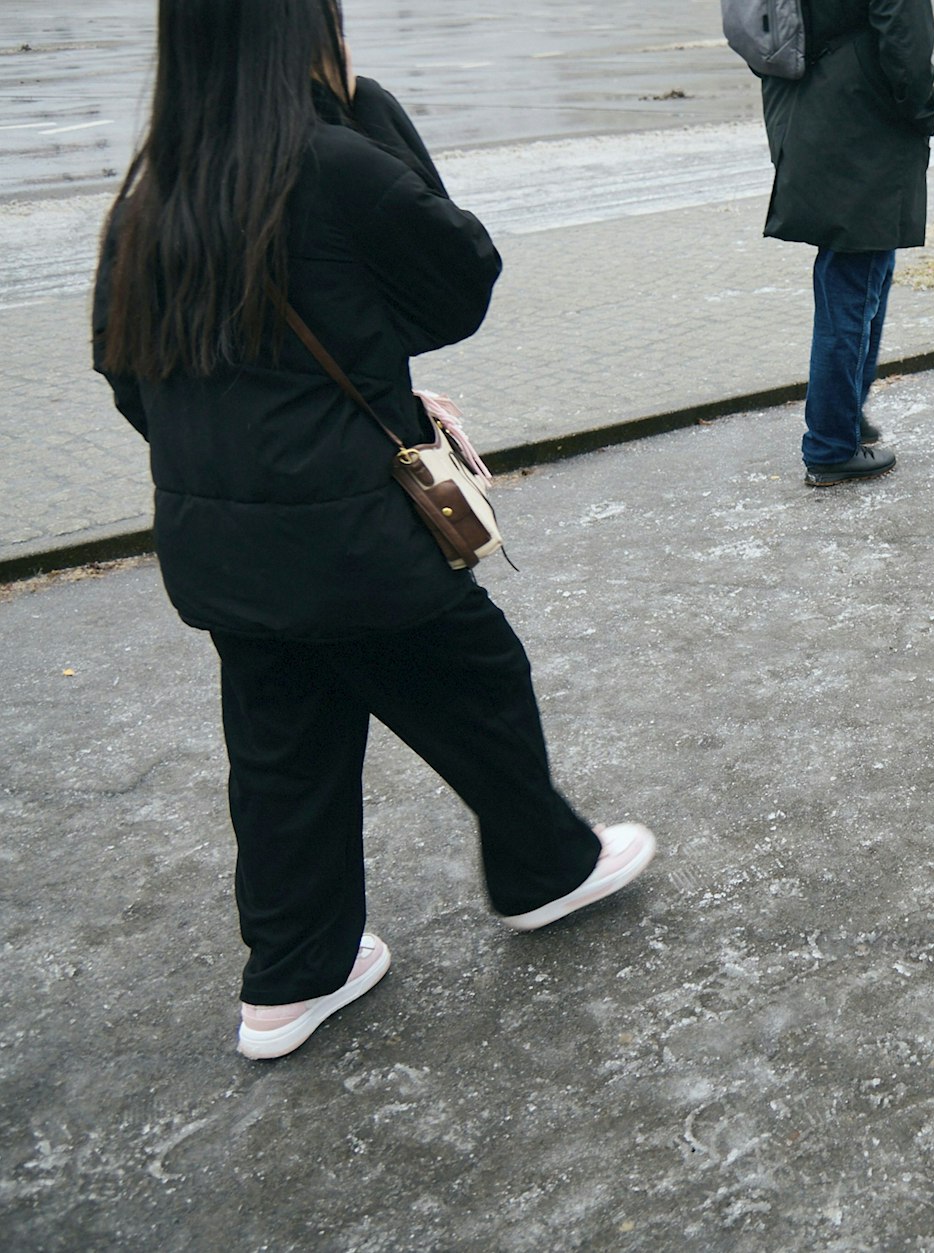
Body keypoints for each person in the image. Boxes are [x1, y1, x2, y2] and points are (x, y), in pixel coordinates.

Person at [92, 0, 655, 1058]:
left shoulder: (146, 197)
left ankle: (291, 978)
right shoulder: (334, 163)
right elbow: (459, 280)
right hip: (350, 541)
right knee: (474, 674)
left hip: (223, 549)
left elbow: (133, 380)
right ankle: (547, 866)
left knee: (283, 744)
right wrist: (367, 108)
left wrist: (251, 453)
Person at [757, 0, 934, 487]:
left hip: (809, 101)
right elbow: (906, 37)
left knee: (861, 270)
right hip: (862, 115)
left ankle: (845, 414)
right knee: (853, 282)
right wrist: (922, 109)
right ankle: (831, 445)